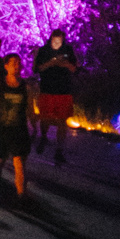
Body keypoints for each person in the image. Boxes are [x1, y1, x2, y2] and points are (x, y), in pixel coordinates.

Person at [32, 29, 80, 163]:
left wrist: (65, 64)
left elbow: (75, 68)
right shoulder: (44, 50)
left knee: (62, 121)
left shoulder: (68, 50)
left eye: (60, 41)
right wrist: (51, 63)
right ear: (51, 39)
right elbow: (36, 69)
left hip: (64, 90)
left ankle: (59, 150)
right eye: (55, 40)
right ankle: (43, 136)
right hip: (47, 89)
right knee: (45, 118)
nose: (58, 43)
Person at [0, 53, 33, 199]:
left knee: (19, 162)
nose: (17, 66)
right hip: (2, 129)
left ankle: (21, 195)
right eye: (13, 63)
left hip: (19, 130)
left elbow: (30, 108)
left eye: (18, 63)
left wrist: (35, 127)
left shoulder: (25, 87)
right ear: (6, 66)